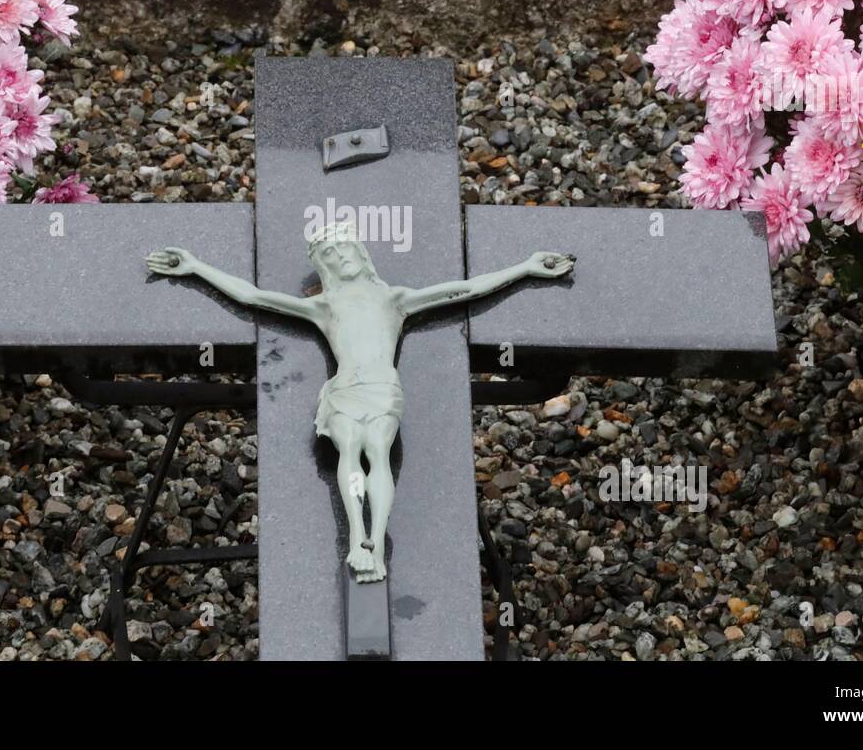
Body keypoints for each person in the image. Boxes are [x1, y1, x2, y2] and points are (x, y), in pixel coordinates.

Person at [145, 222, 573, 583]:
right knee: (350, 451)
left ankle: (377, 541)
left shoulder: (394, 298)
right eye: (329, 254)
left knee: (377, 454)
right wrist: (196, 268)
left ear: (361, 253)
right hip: (345, 389)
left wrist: (525, 268)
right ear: (324, 266)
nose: (340, 257)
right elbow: (252, 297)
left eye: (344, 248)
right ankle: (356, 539)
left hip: (382, 386)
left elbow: (466, 290)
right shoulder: (324, 305)